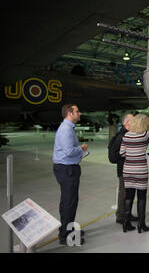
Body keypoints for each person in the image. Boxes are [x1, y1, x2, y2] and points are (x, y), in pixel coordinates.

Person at [52, 104, 87, 245]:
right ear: (70, 113)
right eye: (77, 111)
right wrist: (81, 148)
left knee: (67, 201)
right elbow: (68, 151)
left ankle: (67, 228)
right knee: (69, 202)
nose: (80, 113)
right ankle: (65, 235)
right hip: (67, 170)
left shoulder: (67, 128)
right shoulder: (66, 130)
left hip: (66, 168)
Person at [110, 113, 138, 225]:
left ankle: (127, 213)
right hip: (124, 170)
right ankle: (121, 216)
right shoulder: (121, 136)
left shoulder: (128, 134)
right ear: (127, 123)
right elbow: (114, 156)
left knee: (129, 193)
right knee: (124, 193)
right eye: (133, 121)